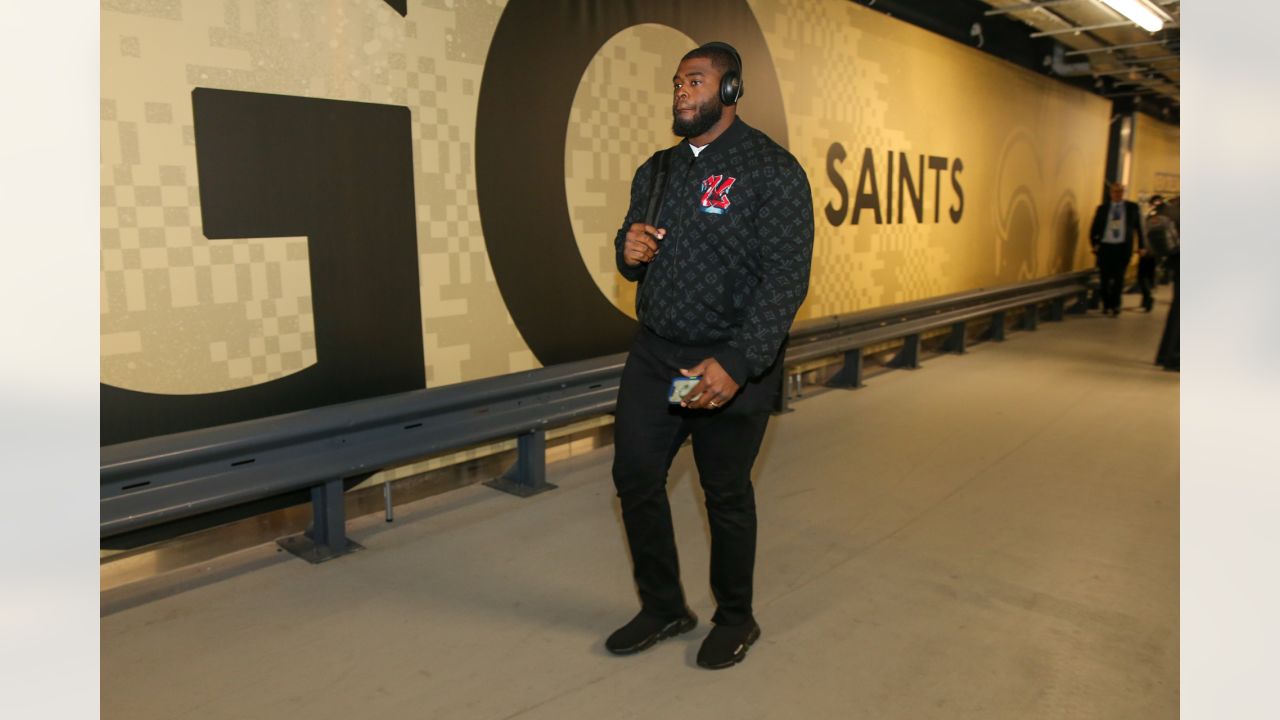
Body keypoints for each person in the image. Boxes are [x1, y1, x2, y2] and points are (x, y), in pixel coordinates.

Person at [606, 41, 814, 669]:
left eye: (694, 81)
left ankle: (736, 617)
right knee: (635, 476)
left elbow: (786, 278)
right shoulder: (658, 170)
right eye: (676, 82)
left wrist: (739, 361)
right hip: (658, 360)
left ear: (729, 91)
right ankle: (664, 605)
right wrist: (629, 248)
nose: (681, 91)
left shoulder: (771, 170)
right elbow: (632, 248)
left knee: (724, 493)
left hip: (729, 363)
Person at [1089, 182, 1147, 316]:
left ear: (1123, 193)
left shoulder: (1132, 207)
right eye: (1115, 192)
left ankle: (1116, 305)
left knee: (1119, 277)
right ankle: (1106, 304)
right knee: (1104, 277)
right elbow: (1094, 227)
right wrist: (1095, 243)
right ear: (1110, 194)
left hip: (1122, 247)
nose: (1117, 194)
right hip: (1106, 246)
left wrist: (1142, 246)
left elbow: (1139, 228)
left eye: (1120, 192)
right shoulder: (1103, 208)